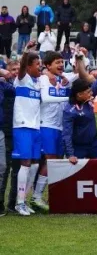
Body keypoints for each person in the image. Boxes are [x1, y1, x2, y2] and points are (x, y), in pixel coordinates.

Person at [29, 52, 78, 211]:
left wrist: (79, 57)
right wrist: (68, 98)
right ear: (47, 65)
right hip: (46, 125)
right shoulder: (43, 79)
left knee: (55, 161)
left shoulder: (61, 79)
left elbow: (80, 74)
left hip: (60, 127)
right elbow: (46, 98)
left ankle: (49, 197)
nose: (60, 65)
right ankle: (36, 197)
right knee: (50, 161)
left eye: (62, 63)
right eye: (57, 62)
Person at [62, 50, 97, 163]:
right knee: (79, 176)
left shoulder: (88, 99)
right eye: (88, 92)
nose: (92, 94)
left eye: (91, 92)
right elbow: (67, 134)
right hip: (78, 147)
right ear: (79, 95)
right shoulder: (69, 110)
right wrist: (70, 154)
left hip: (94, 144)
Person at [12, 52, 42, 216]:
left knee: (35, 164)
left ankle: (25, 199)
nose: (40, 66)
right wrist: (26, 53)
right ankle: (19, 202)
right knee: (25, 163)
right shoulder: (22, 79)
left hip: (36, 128)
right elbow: (22, 67)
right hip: (22, 126)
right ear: (29, 66)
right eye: (37, 64)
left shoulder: (38, 83)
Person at [0, 60, 19, 214]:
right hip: (6, 132)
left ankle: (13, 204)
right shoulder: (5, 87)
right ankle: (1, 203)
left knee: (17, 170)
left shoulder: (23, 85)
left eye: (19, 69)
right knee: (4, 168)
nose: (16, 72)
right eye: (13, 69)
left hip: (20, 132)